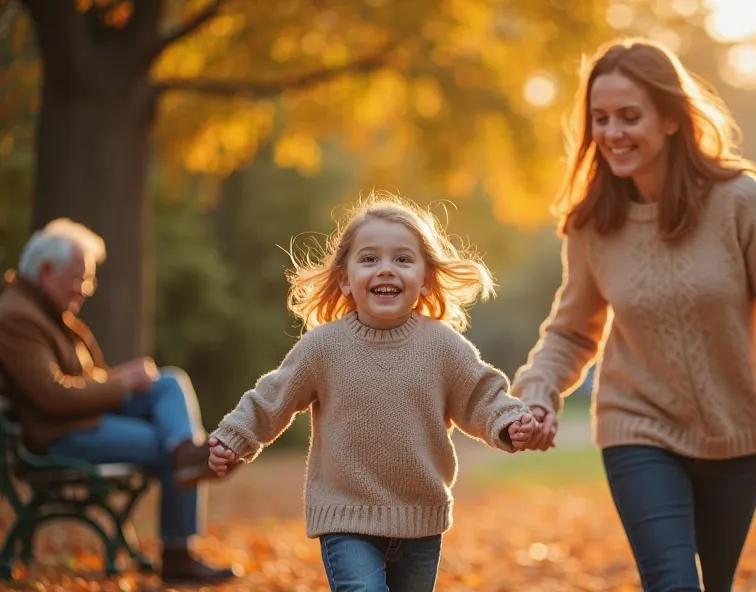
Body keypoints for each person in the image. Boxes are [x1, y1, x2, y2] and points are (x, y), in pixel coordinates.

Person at [510, 38, 756, 592]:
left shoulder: (740, 200)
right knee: (673, 582)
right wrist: (538, 393)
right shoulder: (592, 223)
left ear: (672, 118)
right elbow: (573, 328)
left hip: (737, 430)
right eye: (600, 119)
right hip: (637, 423)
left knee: (712, 583)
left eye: (630, 116)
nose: (612, 133)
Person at [207, 193, 536, 592]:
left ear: (427, 277)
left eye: (402, 259)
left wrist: (508, 422)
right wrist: (234, 437)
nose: (385, 270)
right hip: (345, 518)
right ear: (345, 278)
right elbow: (272, 396)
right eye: (369, 259)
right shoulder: (323, 347)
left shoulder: (443, 346)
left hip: (420, 517)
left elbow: (482, 396)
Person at [0, 218, 237, 585]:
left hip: (84, 420)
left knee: (169, 381)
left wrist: (122, 379)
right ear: (47, 271)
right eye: (79, 277)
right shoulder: (17, 316)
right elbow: (51, 395)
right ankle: (178, 551)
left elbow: (79, 380)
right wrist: (120, 382)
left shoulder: (44, 312)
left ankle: (185, 452)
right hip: (61, 435)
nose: (87, 288)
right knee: (165, 446)